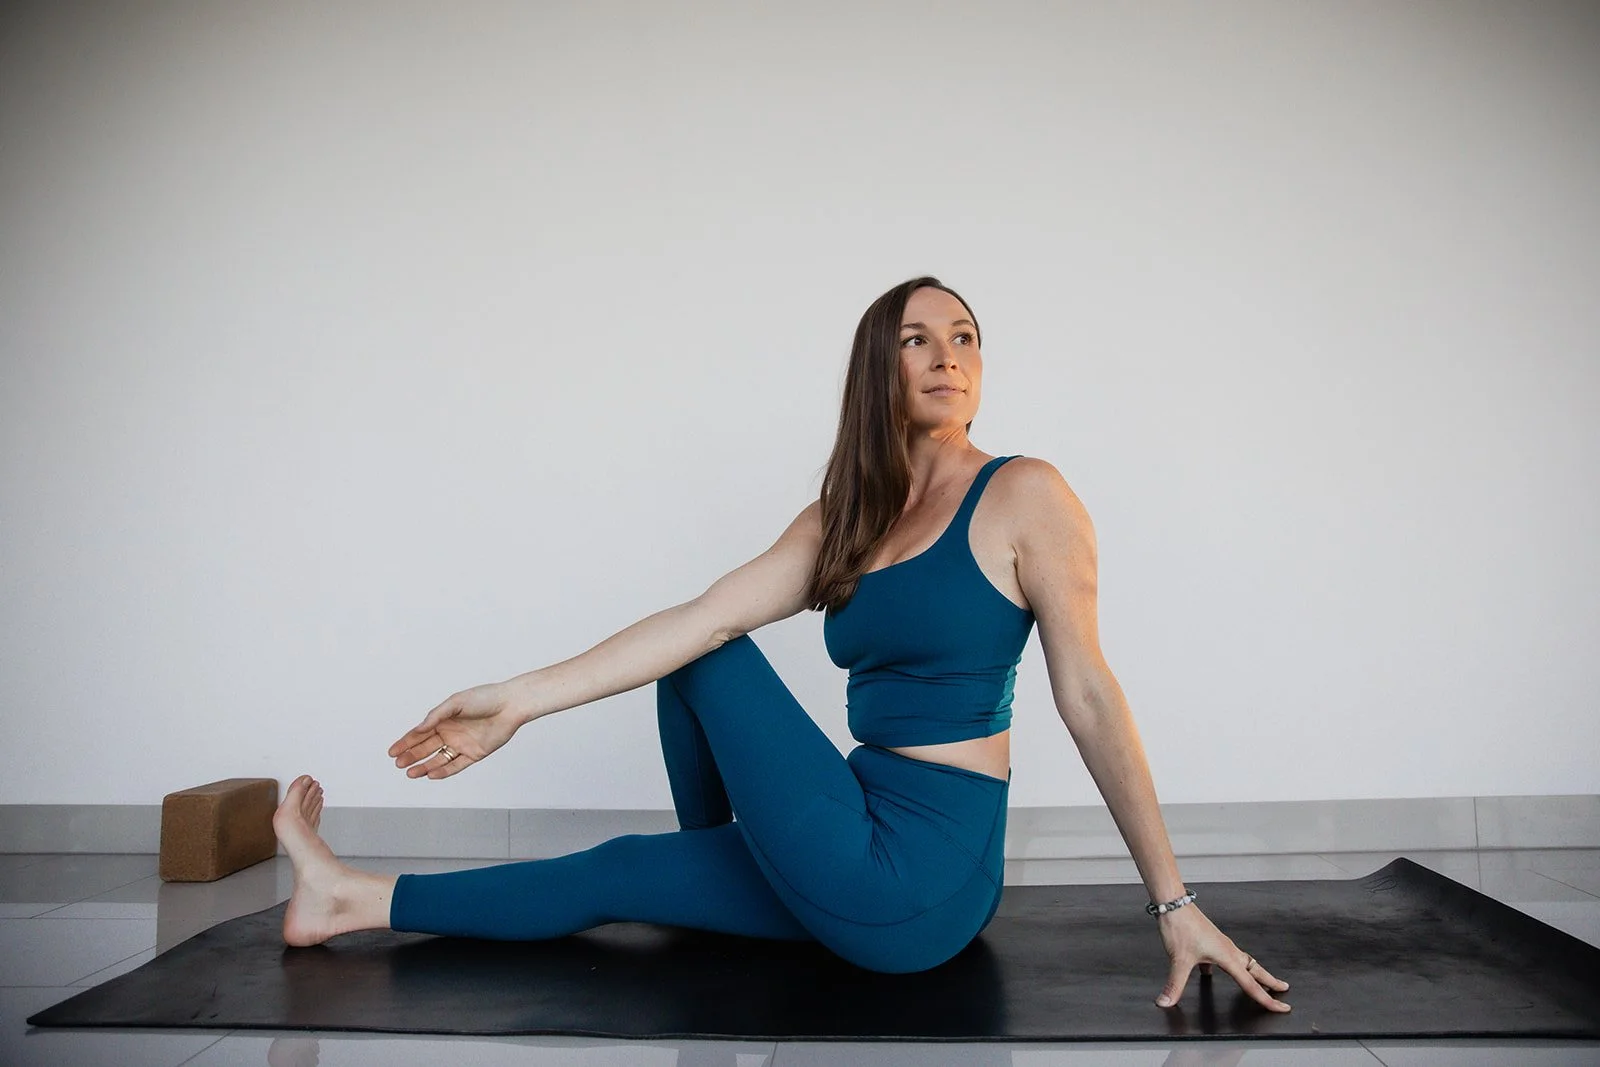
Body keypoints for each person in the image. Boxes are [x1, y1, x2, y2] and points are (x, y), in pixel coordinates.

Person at [272, 275, 1291, 1012]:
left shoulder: (1025, 494)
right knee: (622, 853)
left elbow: (1089, 695)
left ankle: (723, 870)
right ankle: (347, 898)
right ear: (875, 368)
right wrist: (515, 699)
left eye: (965, 336)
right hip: (849, 822)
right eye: (916, 338)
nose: (947, 355)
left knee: (705, 656)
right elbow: (700, 610)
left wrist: (1175, 901)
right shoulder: (842, 515)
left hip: (922, 872)